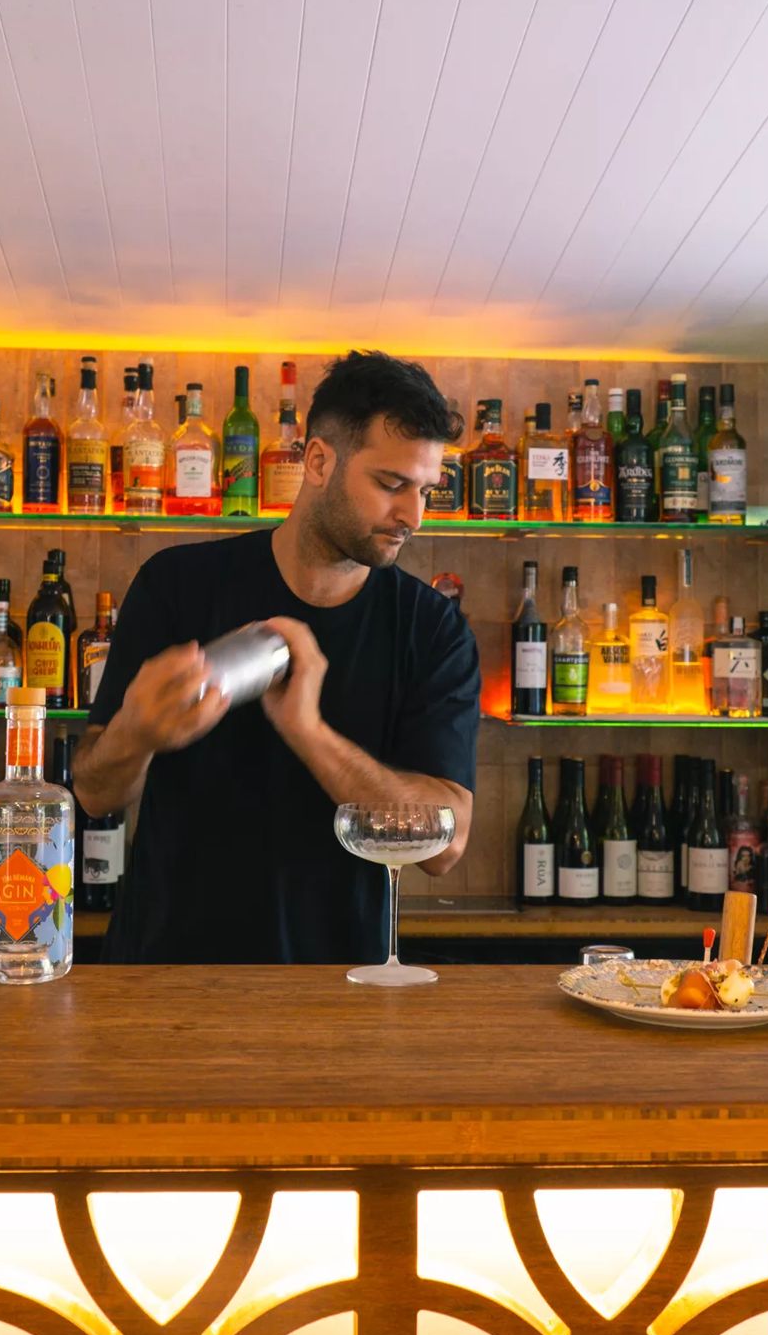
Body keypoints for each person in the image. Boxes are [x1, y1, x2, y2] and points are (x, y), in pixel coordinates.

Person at [74, 350, 480, 963]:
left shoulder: (433, 629)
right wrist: (135, 732)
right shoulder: (177, 585)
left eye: (426, 490)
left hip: (340, 989)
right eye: (392, 484)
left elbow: (445, 847)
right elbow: (95, 793)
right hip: (164, 980)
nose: (413, 516)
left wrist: (307, 730)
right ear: (318, 460)